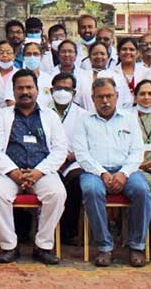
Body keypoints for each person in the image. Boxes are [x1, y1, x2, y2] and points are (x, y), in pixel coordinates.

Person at [0, 70, 68, 265]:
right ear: (13, 92)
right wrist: (13, 172)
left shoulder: (50, 116)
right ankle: (9, 246)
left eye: (29, 87)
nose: (25, 92)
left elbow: (60, 150)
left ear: (38, 90)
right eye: (20, 88)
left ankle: (43, 246)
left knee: (57, 194)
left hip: (41, 172)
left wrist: (38, 172)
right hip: (9, 172)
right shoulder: (1, 116)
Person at [74, 77, 151, 267]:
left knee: (143, 191)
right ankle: (104, 246)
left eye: (109, 96)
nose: (105, 101)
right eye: (100, 97)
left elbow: (137, 152)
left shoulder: (129, 119)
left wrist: (123, 174)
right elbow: (81, 154)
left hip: (126, 170)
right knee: (92, 191)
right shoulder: (83, 120)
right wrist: (102, 173)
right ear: (93, 99)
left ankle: (136, 246)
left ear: (117, 96)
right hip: (94, 171)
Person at [49, 72, 88, 244]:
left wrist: (70, 157)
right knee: (50, 184)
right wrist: (55, 160)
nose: (62, 92)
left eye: (67, 89)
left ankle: (68, 231)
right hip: (49, 162)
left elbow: (88, 143)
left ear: (74, 91)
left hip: (74, 161)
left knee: (77, 181)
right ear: (51, 90)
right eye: (59, 88)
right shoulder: (43, 111)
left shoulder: (83, 115)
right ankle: (48, 231)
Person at [76, 42, 130, 112]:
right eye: (95, 54)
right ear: (89, 57)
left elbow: (127, 102)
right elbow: (76, 103)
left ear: (108, 56)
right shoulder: (81, 77)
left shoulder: (118, 77)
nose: (99, 56)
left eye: (102, 54)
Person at [0, 40, 18, 106]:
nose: (5, 55)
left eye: (8, 53)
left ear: (14, 56)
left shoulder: (20, 74)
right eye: (1, 53)